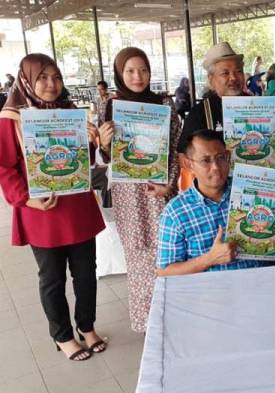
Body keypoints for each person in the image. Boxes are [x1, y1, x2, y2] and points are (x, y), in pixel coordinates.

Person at [0, 54, 106, 360]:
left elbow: (79, 160)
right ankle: (62, 336)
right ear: (27, 80)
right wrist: (25, 197)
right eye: (43, 78)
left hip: (77, 207)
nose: (51, 84)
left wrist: (90, 141)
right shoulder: (12, 117)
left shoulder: (69, 111)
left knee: (86, 273)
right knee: (52, 278)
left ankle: (86, 327)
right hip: (42, 211)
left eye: (56, 77)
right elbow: (5, 166)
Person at [96, 47, 181, 333]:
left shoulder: (165, 106)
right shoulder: (110, 106)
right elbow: (105, 158)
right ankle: (147, 322)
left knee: (166, 250)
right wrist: (104, 144)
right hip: (128, 195)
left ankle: (173, 316)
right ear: (120, 73)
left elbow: (174, 149)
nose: (138, 76)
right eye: (130, 71)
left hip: (158, 190)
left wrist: (168, 185)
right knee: (137, 253)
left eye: (143, 70)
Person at [157, 129, 275, 275]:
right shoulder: (175, 212)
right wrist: (209, 259)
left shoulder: (252, 187)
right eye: (205, 160)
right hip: (211, 293)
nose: (216, 167)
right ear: (189, 164)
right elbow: (164, 271)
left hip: (260, 283)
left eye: (221, 157)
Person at [178, 42, 275, 156]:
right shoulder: (200, 113)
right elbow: (183, 155)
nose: (233, 78)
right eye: (225, 73)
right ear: (211, 78)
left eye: (238, 71)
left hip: (255, 174)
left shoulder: (259, 106)